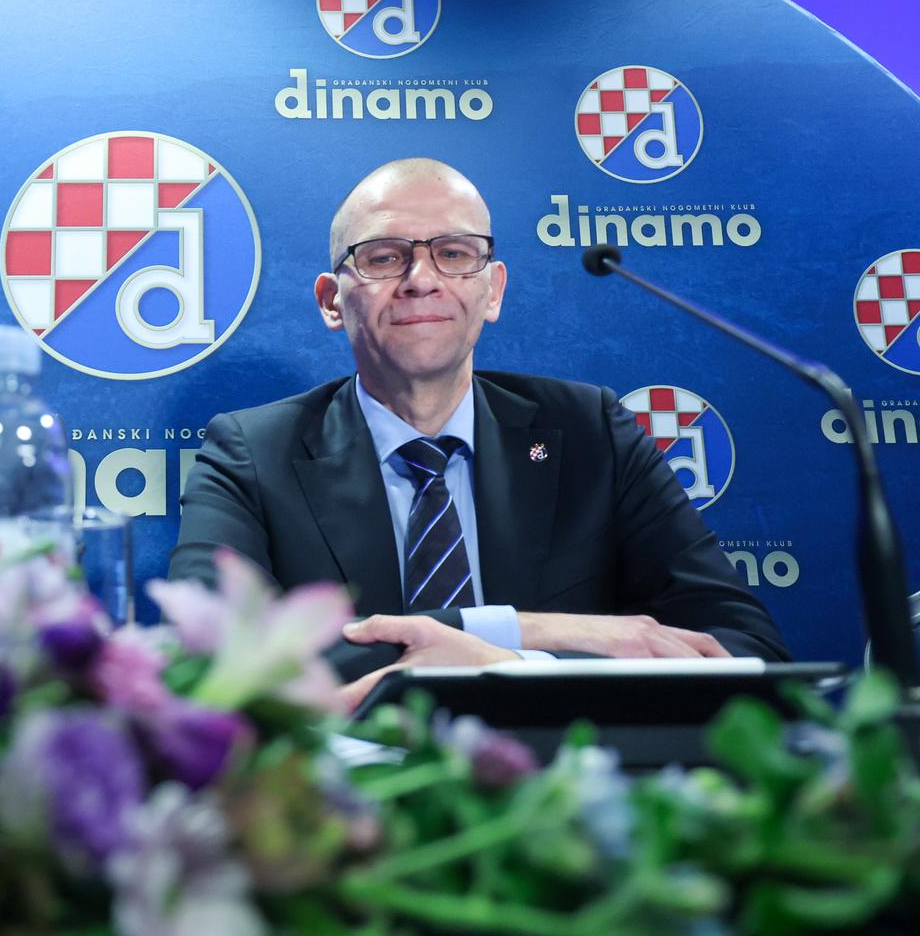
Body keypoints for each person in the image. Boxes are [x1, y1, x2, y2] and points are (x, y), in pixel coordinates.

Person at [167, 158, 788, 705]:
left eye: (455, 254)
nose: (421, 278)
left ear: (492, 290)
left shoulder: (591, 433)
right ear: (333, 301)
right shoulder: (252, 453)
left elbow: (742, 647)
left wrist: (514, 667)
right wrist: (531, 632)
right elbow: (214, 657)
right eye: (384, 257)